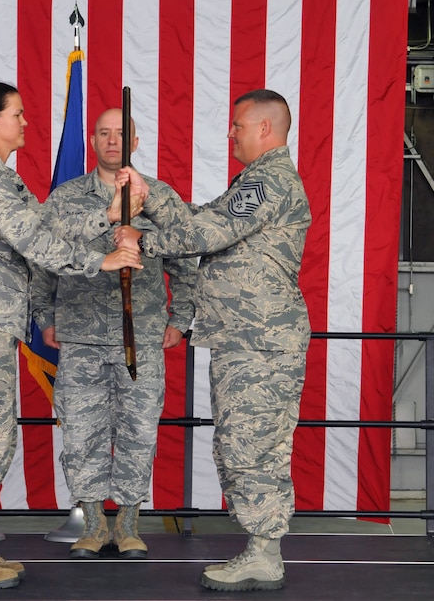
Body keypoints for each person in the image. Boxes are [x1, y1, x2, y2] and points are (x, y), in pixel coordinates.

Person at [0, 82, 143, 590]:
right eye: (18, 114)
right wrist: (103, 256)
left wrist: (108, 213)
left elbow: (45, 222)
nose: (26, 122)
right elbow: (36, 240)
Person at [115, 89, 310, 592]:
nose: (230, 134)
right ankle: (260, 548)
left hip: (261, 342)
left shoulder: (268, 180)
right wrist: (149, 192)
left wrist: (142, 240)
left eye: (237, 125)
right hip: (245, 339)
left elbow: (209, 230)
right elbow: (201, 215)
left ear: (265, 129)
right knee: (239, 444)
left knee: (253, 446)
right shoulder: (254, 181)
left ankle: (265, 555)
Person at [32, 108, 197, 560]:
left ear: (136, 143)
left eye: (120, 134)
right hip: (81, 337)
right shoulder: (66, 198)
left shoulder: (159, 198)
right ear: (91, 141)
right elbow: (42, 259)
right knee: (82, 433)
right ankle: (93, 524)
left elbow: (187, 259)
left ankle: (127, 524)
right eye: (103, 133)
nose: (111, 141)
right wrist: (45, 317)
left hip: (141, 338)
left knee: (138, 432)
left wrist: (179, 320)